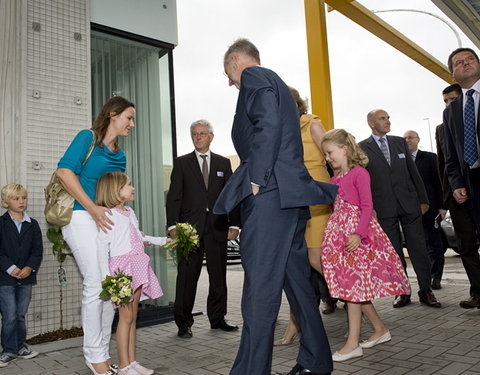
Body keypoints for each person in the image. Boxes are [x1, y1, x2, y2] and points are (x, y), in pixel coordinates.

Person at [214, 38, 337, 375]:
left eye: (229, 73)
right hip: (290, 200)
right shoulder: (277, 81)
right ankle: (316, 362)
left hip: (269, 196)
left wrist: (258, 176)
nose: (231, 81)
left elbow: (266, 122)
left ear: (236, 60)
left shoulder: (255, 76)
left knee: (259, 291)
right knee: (297, 285)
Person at [57, 96, 135, 375]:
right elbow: (65, 172)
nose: (132, 124)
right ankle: (93, 355)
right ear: (112, 114)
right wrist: (91, 208)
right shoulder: (87, 138)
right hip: (80, 217)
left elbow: (115, 193)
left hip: (105, 221)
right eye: (128, 117)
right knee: (95, 283)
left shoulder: (120, 155)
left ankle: (101, 352)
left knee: (110, 286)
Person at [320, 129, 410, 362]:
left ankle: (353, 343)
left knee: (353, 290)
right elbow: (335, 208)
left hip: (356, 237)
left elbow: (367, 206)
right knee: (353, 289)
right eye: (326, 154)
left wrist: (359, 234)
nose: (328, 158)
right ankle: (380, 329)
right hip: (341, 237)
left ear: (344, 149)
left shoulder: (359, 173)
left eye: (330, 153)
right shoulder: (335, 178)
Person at [166, 119, 241, 339]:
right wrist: (172, 226)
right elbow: (174, 198)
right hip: (189, 230)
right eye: (195, 134)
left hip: (218, 228)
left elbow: (232, 196)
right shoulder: (181, 163)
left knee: (219, 276)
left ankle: (218, 319)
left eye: (202, 133)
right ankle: (183, 322)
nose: (198, 137)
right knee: (187, 277)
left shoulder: (223, 164)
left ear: (211, 136)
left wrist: (234, 223)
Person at [359, 109, 441, 308]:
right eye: (382, 118)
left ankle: (426, 290)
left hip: (409, 204)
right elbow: (363, 181)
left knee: (419, 248)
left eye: (388, 118)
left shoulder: (399, 142)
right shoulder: (361, 147)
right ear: (371, 123)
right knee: (394, 252)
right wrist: (369, 209)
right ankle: (403, 292)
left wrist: (423, 199)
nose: (388, 121)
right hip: (383, 208)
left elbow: (414, 173)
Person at [274, 87, 335, 347]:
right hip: (292, 201)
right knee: (295, 270)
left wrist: (349, 192)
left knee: (315, 259)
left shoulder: (311, 123)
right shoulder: (279, 130)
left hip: (316, 198)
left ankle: (359, 301)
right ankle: (293, 328)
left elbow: (334, 155)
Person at [96, 172, 165, 375]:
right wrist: (105, 278)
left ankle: (132, 362)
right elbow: (102, 247)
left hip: (137, 264)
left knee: (133, 316)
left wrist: (162, 240)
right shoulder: (108, 215)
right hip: (122, 270)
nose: (132, 188)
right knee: (125, 317)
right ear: (115, 190)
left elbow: (139, 236)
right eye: (128, 185)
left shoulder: (129, 212)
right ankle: (124, 366)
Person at [436, 83, 480, 308]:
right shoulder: (442, 128)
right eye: (445, 101)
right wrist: (444, 202)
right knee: (466, 245)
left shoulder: (474, 116)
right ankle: (477, 293)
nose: (449, 104)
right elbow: (444, 164)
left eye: (452, 99)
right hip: (456, 194)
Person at [0, 184, 43, 368]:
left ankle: (20, 346)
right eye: (16, 198)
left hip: (26, 277)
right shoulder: (1, 224)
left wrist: (29, 268)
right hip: (5, 278)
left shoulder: (32, 224)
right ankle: (9, 350)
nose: (21, 201)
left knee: (20, 315)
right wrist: (10, 268)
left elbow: (37, 250)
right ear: (5, 202)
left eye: (24, 198)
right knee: (9, 315)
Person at [403, 130, 445, 290]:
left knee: (434, 244)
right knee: (419, 247)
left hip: (431, 209)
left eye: (410, 138)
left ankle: (436, 278)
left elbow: (438, 183)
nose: (407, 140)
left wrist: (442, 206)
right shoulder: (401, 161)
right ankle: (425, 278)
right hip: (410, 211)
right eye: (405, 138)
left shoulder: (430, 158)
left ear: (417, 140)